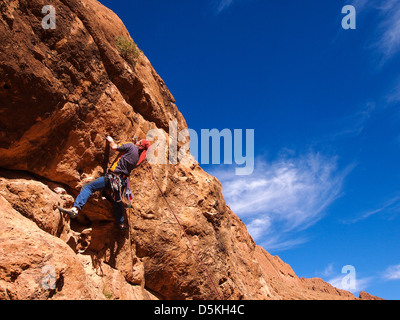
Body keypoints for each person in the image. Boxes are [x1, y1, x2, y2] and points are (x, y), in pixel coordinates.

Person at [58, 136, 150, 230]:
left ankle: (75, 209)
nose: (136, 141)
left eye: (138, 141)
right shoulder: (137, 159)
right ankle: (121, 223)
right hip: (120, 182)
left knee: (88, 187)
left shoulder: (130, 146)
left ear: (140, 144)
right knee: (117, 201)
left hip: (113, 178)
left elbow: (114, 147)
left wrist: (110, 140)